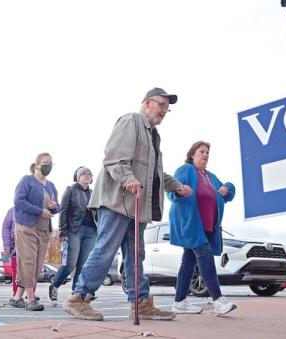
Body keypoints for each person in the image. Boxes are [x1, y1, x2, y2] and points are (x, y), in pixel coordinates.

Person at [64, 87, 192, 321]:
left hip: (136, 206)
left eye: (167, 108)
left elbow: (155, 173)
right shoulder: (131, 121)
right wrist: (129, 179)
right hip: (117, 201)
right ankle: (79, 298)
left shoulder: (153, 135)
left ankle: (140, 302)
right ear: (146, 104)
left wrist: (176, 186)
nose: (164, 111)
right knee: (105, 249)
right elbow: (113, 158)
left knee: (136, 255)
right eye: (161, 105)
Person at [168, 141, 237, 315]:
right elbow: (171, 190)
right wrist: (179, 191)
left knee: (188, 263)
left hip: (207, 226)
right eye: (202, 151)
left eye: (208, 152)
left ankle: (179, 302)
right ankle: (218, 300)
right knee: (205, 256)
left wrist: (227, 187)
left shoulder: (211, 177)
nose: (205, 155)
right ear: (192, 154)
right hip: (190, 223)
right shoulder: (186, 170)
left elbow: (228, 193)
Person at [10, 152, 60, 311]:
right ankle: (30, 299)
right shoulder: (27, 180)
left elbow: (57, 207)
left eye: (51, 163)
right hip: (27, 226)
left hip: (44, 228)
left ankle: (17, 297)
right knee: (28, 261)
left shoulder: (51, 185)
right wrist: (39, 211)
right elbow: (18, 201)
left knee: (37, 265)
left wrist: (54, 207)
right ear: (37, 164)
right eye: (46, 162)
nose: (49, 165)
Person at [49, 166, 97, 302]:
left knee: (83, 265)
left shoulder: (93, 193)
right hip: (74, 230)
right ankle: (55, 285)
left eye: (89, 174)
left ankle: (77, 295)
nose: (87, 176)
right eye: (84, 174)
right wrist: (63, 231)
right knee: (70, 264)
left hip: (91, 232)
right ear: (77, 176)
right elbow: (63, 210)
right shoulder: (70, 190)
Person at [2, 207, 36, 297]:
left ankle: (31, 294)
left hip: (32, 244)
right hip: (16, 246)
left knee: (33, 269)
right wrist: (6, 245)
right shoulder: (12, 211)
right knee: (16, 271)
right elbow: (6, 228)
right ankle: (16, 294)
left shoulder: (35, 209)